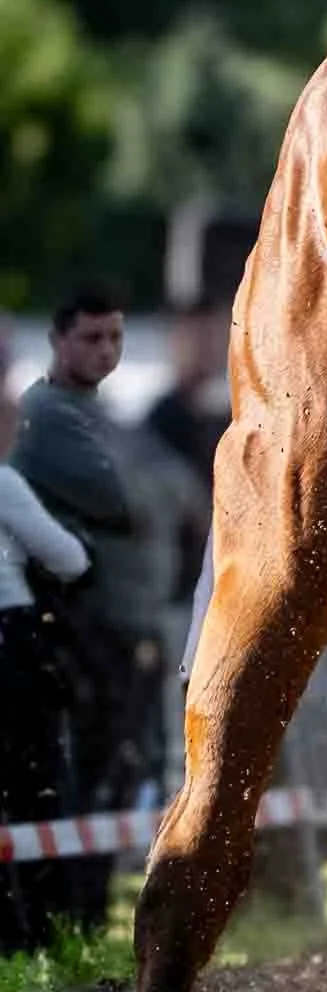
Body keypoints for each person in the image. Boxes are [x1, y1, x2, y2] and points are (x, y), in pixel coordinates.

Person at [11, 291, 198, 927]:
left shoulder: (116, 421)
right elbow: (123, 507)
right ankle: (58, 922)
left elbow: (187, 497)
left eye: (115, 338)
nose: (107, 351)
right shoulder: (43, 419)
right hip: (79, 632)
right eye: (91, 339)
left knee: (124, 775)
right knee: (74, 778)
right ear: (60, 343)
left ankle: (84, 919)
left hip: (138, 627)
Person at [0, 381, 91, 952]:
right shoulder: (5, 482)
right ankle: (49, 933)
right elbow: (68, 557)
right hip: (12, 639)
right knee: (38, 786)